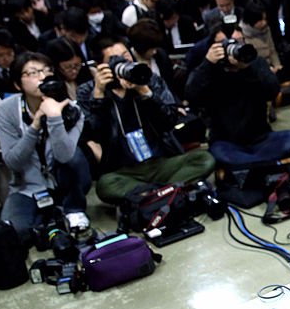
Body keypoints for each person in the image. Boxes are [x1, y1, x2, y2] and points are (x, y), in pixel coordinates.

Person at [77, 44, 214, 204]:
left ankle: (150, 195)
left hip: (161, 162)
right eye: (114, 60)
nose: (123, 61)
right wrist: (99, 95)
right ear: (100, 66)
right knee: (105, 186)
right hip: (125, 170)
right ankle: (169, 191)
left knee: (205, 159)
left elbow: (169, 122)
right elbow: (94, 133)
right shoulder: (88, 91)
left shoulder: (149, 79)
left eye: (125, 55)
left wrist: (144, 92)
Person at [0, 52, 91, 237]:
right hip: (26, 187)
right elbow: (12, 162)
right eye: (33, 73)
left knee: (76, 154)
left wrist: (55, 118)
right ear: (17, 84)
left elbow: (65, 156)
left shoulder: (72, 110)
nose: (42, 77)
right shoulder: (7, 110)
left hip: (65, 183)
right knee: (17, 232)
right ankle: (46, 218)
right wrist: (35, 125)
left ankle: (73, 209)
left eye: (47, 71)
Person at [186, 24, 290, 167]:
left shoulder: (255, 63)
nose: (234, 47)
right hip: (227, 142)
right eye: (227, 44)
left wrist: (248, 68)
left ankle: (247, 168)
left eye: (238, 42)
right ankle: (273, 165)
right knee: (219, 153)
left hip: (260, 138)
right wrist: (207, 64)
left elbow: (273, 90)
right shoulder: (209, 70)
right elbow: (191, 96)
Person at [239, 0, 283, 73]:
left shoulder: (266, 29)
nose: (264, 22)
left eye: (265, 19)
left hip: (272, 69)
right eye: (260, 20)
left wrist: (277, 66)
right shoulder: (241, 34)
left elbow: (272, 51)